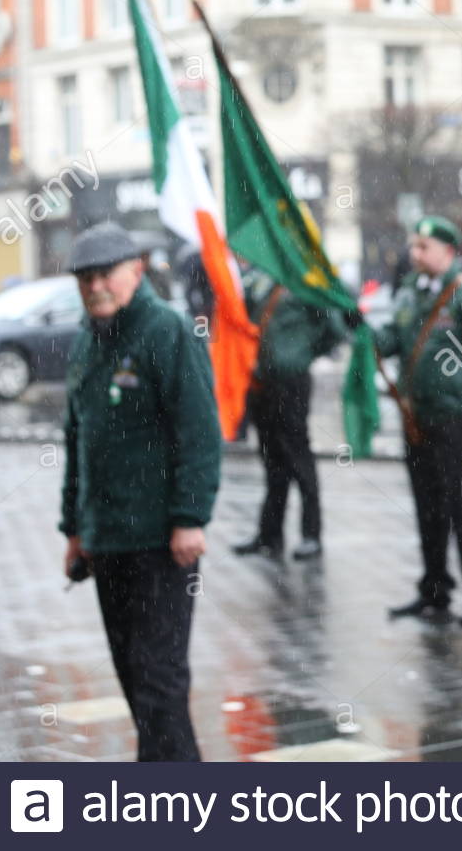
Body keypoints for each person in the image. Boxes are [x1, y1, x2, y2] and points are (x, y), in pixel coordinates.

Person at [59, 222, 222, 761]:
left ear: (136, 269)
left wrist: (190, 516)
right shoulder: (88, 337)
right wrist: (74, 529)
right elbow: (78, 437)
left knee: (158, 678)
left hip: (159, 540)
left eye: (104, 274)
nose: (94, 286)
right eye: (84, 279)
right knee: (134, 675)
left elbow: (198, 429)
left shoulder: (167, 330)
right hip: (107, 541)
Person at [377, 215, 462, 624]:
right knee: (427, 507)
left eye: (423, 247)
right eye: (413, 246)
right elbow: (392, 340)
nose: (414, 253)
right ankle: (434, 590)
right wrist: (360, 329)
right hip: (417, 421)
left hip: (459, 421)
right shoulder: (408, 293)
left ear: (448, 252)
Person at [234, 272, 347, 561]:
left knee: (298, 455)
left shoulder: (306, 282)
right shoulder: (262, 280)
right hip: (262, 381)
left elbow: (334, 329)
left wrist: (300, 354)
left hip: (291, 382)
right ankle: (269, 534)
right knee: (271, 459)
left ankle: (311, 534)